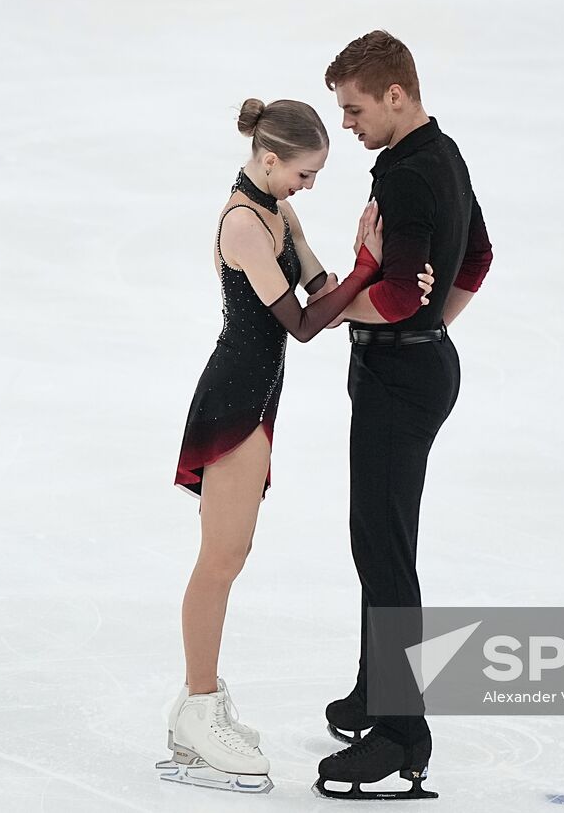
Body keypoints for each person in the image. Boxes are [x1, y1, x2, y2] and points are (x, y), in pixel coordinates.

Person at [157, 97, 436, 794]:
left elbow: (323, 287)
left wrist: (388, 276)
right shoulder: (246, 224)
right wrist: (369, 268)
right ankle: (196, 709)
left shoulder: (280, 210)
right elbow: (307, 323)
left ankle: (201, 702)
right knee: (220, 558)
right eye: (304, 174)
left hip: (257, 398)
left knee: (234, 552)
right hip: (233, 404)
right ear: (270, 158)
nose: (308, 186)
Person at [314, 31, 495, 801]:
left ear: (396, 95)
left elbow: (396, 295)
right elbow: (478, 257)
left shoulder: (413, 176)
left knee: (382, 551)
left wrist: (341, 314)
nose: (347, 124)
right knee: (382, 542)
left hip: (399, 377)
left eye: (355, 109)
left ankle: (401, 732)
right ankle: (373, 690)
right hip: (419, 366)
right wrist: (432, 333)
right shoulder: (440, 154)